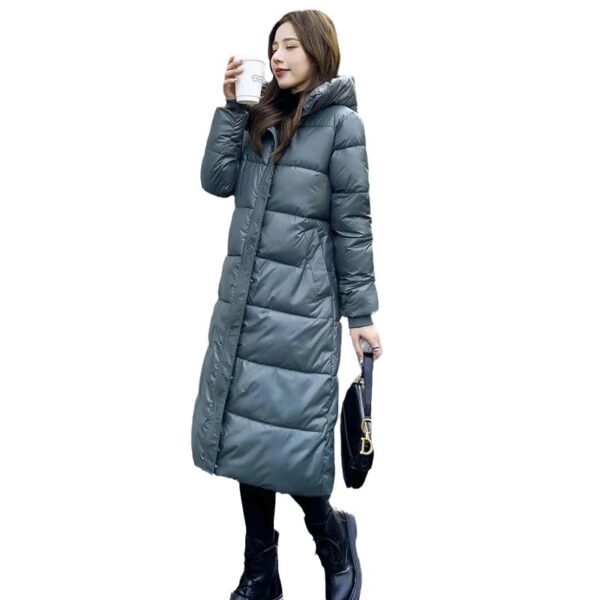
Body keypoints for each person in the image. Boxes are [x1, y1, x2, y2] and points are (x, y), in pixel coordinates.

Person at [191, 10, 383, 600]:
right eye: (273, 46)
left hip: (302, 311)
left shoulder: (342, 125)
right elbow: (216, 180)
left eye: (291, 46)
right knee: (247, 436)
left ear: (319, 51)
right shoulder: (259, 114)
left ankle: (333, 540)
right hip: (246, 304)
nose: (277, 56)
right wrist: (231, 108)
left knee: (291, 442)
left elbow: (353, 225)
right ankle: (260, 572)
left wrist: (361, 316)